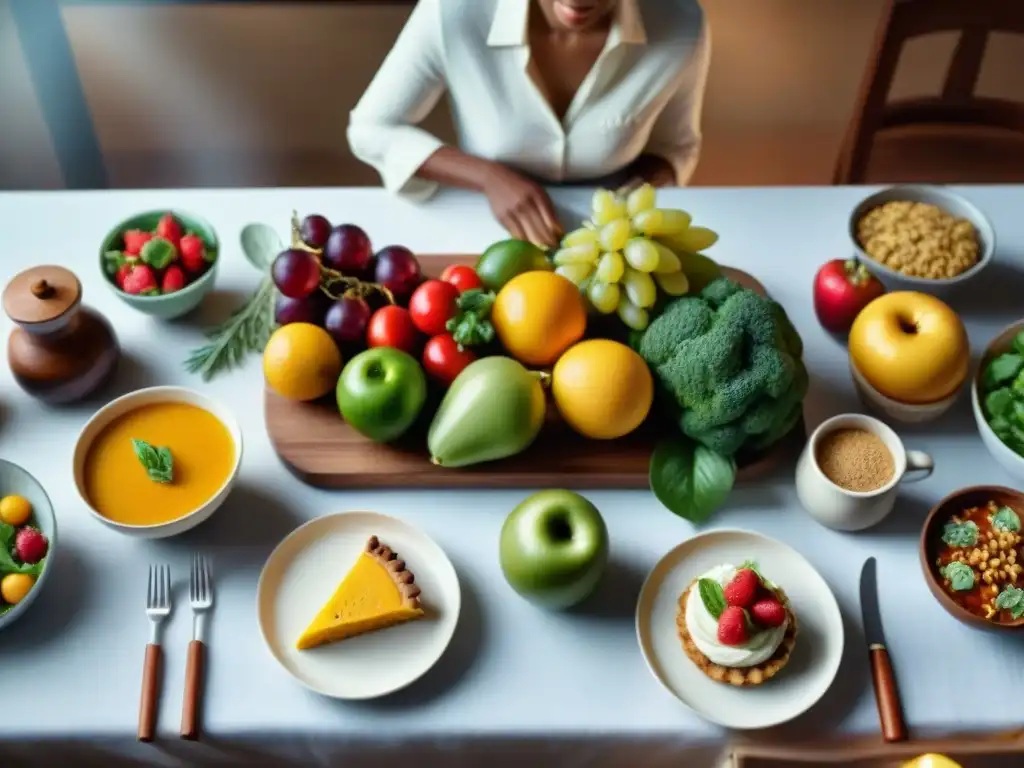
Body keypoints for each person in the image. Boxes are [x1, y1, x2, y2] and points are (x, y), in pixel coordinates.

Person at [348, 0, 711, 248]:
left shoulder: (681, 24)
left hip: (613, 237)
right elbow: (371, 128)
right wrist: (488, 177)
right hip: (478, 224)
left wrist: (641, 190)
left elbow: (676, 147)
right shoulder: (454, 10)